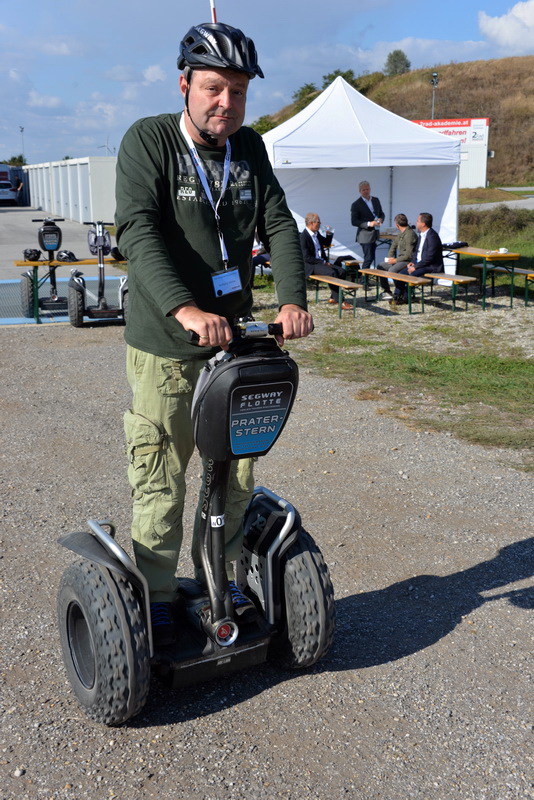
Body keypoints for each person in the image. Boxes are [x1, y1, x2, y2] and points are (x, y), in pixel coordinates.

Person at [115, 22, 313, 646]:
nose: (226, 102)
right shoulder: (150, 140)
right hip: (168, 347)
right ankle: (158, 595)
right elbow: (138, 229)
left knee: (235, 473)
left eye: (238, 91)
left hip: (235, 346)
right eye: (213, 88)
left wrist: (292, 298)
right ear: (185, 86)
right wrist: (185, 309)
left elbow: (279, 223)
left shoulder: (248, 147)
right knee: (162, 476)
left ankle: (220, 583)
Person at [300, 213, 351, 310]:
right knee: (332, 273)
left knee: (342, 271)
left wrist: (329, 234)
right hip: (311, 265)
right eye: (318, 222)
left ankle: (333, 296)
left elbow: (326, 243)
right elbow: (306, 258)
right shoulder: (303, 237)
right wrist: (323, 263)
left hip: (320, 262)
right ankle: (341, 300)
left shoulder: (316, 234)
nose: (320, 224)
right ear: (311, 223)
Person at [391, 212, 444, 304]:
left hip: (430, 266)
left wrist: (415, 267)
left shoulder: (432, 237)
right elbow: (416, 251)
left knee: (411, 275)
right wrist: (413, 262)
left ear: (423, 224)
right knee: (400, 274)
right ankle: (397, 296)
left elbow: (429, 258)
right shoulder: (422, 234)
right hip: (420, 264)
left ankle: (406, 298)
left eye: (417, 221)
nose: (416, 222)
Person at [375, 213, 418, 300]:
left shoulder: (410, 234)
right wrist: (390, 258)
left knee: (392, 270)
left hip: (408, 261)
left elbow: (408, 255)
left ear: (397, 225)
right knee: (381, 266)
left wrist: (395, 260)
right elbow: (393, 245)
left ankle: (401, 292)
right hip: (400, 259)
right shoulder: (401, 233)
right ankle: (387, 290)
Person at [350, 180, 384, 271]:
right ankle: (363, 277)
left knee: (371, 257)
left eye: (367, 189)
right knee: (368, 258)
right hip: (365, 235)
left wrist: (381, 219)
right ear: (360, 191)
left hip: (375, 233)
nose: (366, 191)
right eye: (363, 190)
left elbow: (381, 213)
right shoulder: (356, 204)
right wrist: (369, 223)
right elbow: (354, 221)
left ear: (370, 189)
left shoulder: (376, 200)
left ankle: (367, 275)